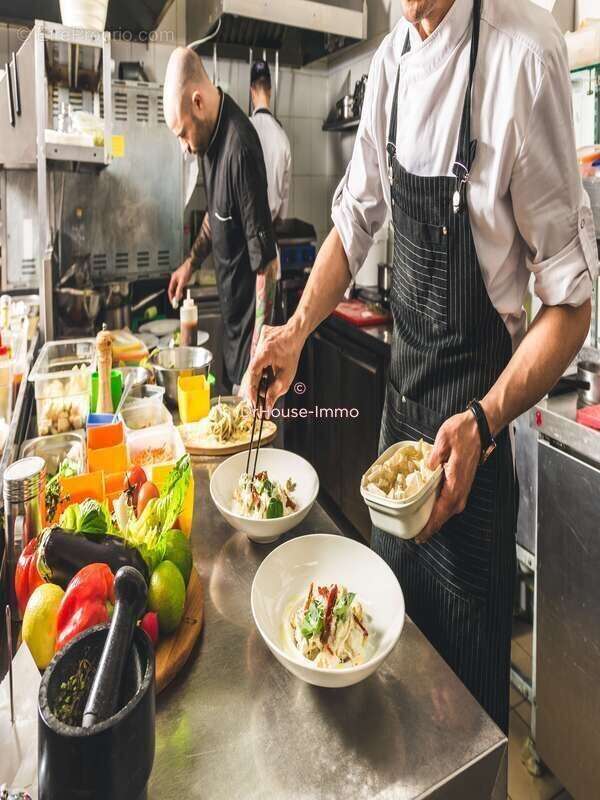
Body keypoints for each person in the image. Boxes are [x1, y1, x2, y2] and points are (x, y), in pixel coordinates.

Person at [243, 0, 599, 733]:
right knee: (385, 691)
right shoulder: (391, 65)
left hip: (474, 446)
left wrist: (483, 421)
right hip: (395, 447)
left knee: (461, 725)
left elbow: (570, 304)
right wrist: (295, 328)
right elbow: (355, 220)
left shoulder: (522, 56)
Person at [164, 47, 278, 393]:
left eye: (183, 133)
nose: (184, 146)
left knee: (258, 442)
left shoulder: (240, 146)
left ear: (197, 102)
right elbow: (217, 216)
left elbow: (267, 267)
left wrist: (258, 358)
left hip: (254, 340)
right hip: (233, 331)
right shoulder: (208, 143)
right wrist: (189, 264)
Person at [249, 60, 292, 225]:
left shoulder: (244, 129)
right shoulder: (282, 137)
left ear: (252, 91)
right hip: (270, 234)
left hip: (245, 235)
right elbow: (284, 202)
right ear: (270, 91)